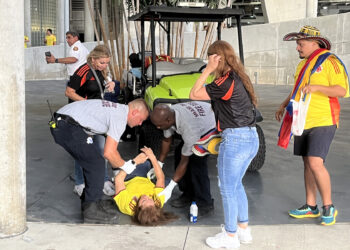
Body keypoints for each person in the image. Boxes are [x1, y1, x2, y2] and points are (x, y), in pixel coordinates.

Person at [275, 26, 349, 226]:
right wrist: (283, 105)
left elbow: (341, 90)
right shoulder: (304, 65)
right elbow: (298, 90)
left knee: (316, 163)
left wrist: (317, 87)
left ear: (315, 43)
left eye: (301, 44)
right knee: (307, 164)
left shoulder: (330, 62)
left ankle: (328, 206)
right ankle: (310, 205)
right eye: (297, 44)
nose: (297, 48)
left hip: (323, 120)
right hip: (303, 120)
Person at [189, 40, 259, 249]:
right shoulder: (238, 77)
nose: (208, 62)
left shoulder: (225, 82)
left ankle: (230, 236)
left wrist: (207, 70)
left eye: (210, 58)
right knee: (236, 185)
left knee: (227, 188)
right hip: (250, 137)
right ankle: (243, 230)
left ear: (216, 58)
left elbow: (194, 94)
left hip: (236, 139)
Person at [49, 98, 150, 223]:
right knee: (96, 162)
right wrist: (128, 166)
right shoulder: (120, 117)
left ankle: (92, 202)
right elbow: (109, 153)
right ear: (134, 112)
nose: (140, 124)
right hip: (66, 125)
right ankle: (91, 210)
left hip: (65, 122)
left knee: (93, 160)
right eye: (141, 120)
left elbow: (113, 152)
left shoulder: (117, 110)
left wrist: (118, 172)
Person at [65, 44, 116, 197]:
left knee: (102, 150)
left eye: (107, 62)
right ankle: (80, 183)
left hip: (97, 116)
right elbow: (69, 92)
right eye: (102, 62)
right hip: (81, 117)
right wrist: (86, 104)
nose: (104, 65)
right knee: (83, 151)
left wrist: (111, 83)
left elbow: (102, 84)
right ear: (93, 59)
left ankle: (104, 180)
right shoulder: (82, 71)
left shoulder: (101, 70)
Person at [150, 101, 216, 217]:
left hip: (210, 126)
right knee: (179, 152)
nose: (157, 127)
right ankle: (188, 193)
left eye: (159, 125)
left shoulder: (189, 128)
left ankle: (205, 203)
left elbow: (184, 162)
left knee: (197, 161)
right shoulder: (169, 114)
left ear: (168, 121)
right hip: (197, 120)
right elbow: (166, 140)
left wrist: (170, 187)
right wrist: (159, 164)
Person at [114, 146, 177, 225]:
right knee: (165, 180)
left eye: (143, 201)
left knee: (117, 158)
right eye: (150, 199)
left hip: (128, 178)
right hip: (146, 178)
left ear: (138, 208)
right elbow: (161, 178)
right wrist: (152, 157)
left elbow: (118, 179)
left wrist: (135, 161)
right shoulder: (157, 203)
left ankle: (118, 169)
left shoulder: (126, 205)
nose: (146, 196)